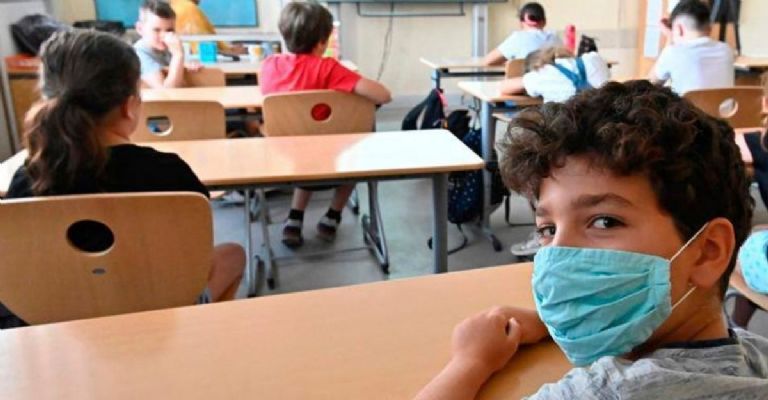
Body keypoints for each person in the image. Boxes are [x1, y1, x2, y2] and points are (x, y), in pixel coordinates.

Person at [416, 81, 768, 399]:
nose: (559, 255)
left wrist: (470, 361)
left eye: (604, 221)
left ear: (707, 252)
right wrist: (567, 321)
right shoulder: (754, 354)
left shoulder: (609, 392)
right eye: (547, 229)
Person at [2, 30, 245, 328]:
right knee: (232, 255)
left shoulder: (28, 178)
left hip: (54, 323)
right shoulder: (168, 172)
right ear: (129, 106)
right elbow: (197, 257)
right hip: (158, 316)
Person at [260, 2, 391, 248]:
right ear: (322, 42)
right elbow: (383, 95)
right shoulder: (329, 68)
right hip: (331, 160)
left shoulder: (269, 65)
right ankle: (333, 215)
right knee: (356, 142)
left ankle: (294, 218)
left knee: (305, 144)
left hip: (283, 159)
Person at [500, 46, 610, 257]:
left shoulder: (542, 73)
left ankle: (546, 231)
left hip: (566, 146)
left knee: (536, 172)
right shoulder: (594, 59)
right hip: (607, 142)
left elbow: (506, 86)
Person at [648, 0, 734, 95]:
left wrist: (670, 38)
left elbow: (651, 84)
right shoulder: (727, 50)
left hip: (687, 105)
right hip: (723, 105)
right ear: (710, 28)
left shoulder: (673, 52)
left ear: (679, 29)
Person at [134, 0, 201, 89]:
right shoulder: (138, 54)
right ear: (140, 29)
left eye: (169, 30)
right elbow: (166, 91)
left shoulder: (166, 48)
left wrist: (184, 66)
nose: (164, 35)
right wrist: (178, 55)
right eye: (157, 30)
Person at [483, 2, 562, 66]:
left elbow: (488, 61)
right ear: (544, 22)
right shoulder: (555, 38)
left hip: (524, 80)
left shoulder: (518, 38)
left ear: (521, 23)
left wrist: (510, 63)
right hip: (551, 80)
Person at [169, 0, 245, 56]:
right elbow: (204, 49)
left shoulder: (174, 5)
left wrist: (229, 49)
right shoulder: (189, 9)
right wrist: (232, 53)